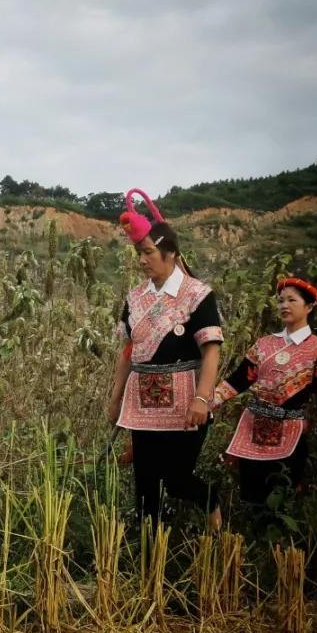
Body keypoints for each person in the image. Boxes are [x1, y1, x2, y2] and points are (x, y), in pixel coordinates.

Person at [107, 188, 224, 532]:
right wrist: (115, 398)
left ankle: (211, 503)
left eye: (148, 252)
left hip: (185, 401)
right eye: (139, 253)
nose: (142, 260)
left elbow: (211, 349)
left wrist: (202, 397)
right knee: (145, 482)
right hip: (142, 401)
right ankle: (149, 545)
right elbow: (128, 351)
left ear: (170, 253)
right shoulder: (135, 297)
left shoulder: (197, 294)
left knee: (176, 478)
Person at [210, 277, 317, 514]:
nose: (284, 305)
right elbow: (238, 380)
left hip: (290, 431)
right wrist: (206, 402)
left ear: (309, 306)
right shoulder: (264, 344)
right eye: (281, 300)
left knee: (284, 499)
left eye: (292, 300)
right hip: (253, 429)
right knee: (252, 501)